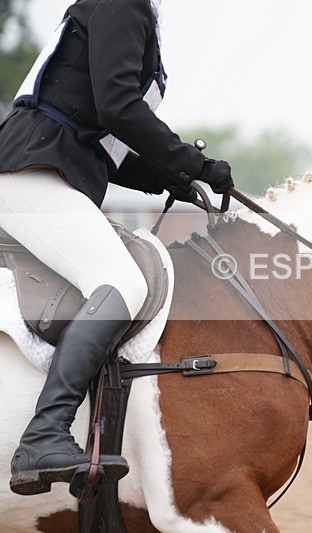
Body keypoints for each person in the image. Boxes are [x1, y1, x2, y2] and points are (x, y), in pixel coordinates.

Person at [0, 0, 233, 496]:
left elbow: (106, 142)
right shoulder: (123, 3)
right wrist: (193, 162)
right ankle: (44, 434)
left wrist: (169, 177)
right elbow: (118, 108)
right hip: (31, 166)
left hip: (54, 164)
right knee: (121, 281)